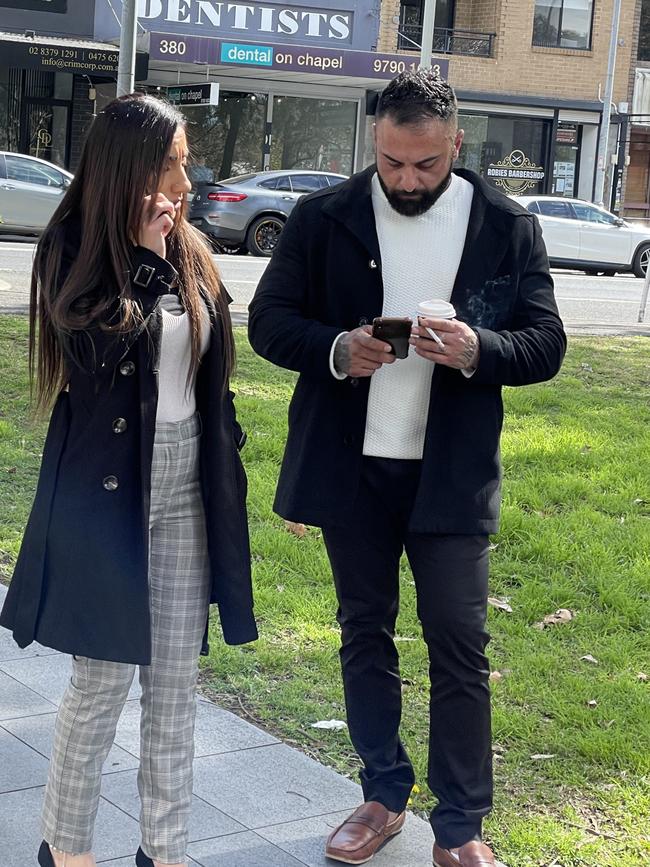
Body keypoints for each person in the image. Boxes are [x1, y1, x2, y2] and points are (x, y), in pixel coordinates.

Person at [248, 71, 566, 867]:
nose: (406, 179)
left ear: (455, 144)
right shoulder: (325, 217)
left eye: (424, 164)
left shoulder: (505, 225)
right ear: (375, 143)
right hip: (352, 470)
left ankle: (459, 827)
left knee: (459, 641)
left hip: (450, 476)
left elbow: (547, 343)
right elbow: (268, 322)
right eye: (391, 162)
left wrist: (476, 350)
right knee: (365, 631)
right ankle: (383, 794)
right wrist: (335, 348)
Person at [0, 93, 257, 867]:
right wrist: (142, 260)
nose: (187, 177)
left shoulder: (192, 248)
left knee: (174, 695)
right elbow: (93, 365)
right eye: (175, 161)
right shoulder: (72, 247)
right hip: (106, 495)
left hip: (186, 491)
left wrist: (234, 465)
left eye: (184, 161)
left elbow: (211, 378)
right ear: (134, 166)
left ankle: (165, 851)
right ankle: (68, 848)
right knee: (101, 685)